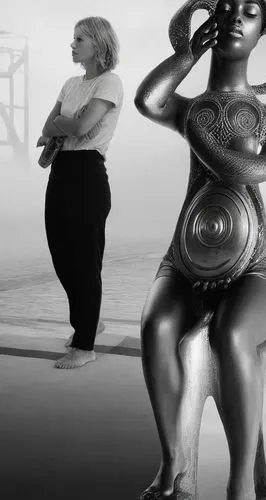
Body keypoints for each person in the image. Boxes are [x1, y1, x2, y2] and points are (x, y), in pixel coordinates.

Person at [135, 0, 266, 499]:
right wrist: (188, 53)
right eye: (224, 8)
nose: (233, 18)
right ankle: (172, 462)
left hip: (252, 265)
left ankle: (242, 479)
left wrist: (200, 135)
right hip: (185, 258)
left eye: (249, 11)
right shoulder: (189, 106)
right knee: (156, 325)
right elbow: (148, 101)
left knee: (233, 334)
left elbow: (254, 172)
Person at [37, 16, 123, 369]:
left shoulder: (110, 82)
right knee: (61, 255)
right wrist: (63, 126)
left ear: (98, 45)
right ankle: (90, 319)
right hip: (60, 173)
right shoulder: (71, 84)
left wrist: (63, 125)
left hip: (88, 174)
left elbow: (84, 130)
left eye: (79, 39)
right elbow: (48, 128)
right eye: (73, 39)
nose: (72, 45)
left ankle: (84, 344)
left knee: (86, 262)